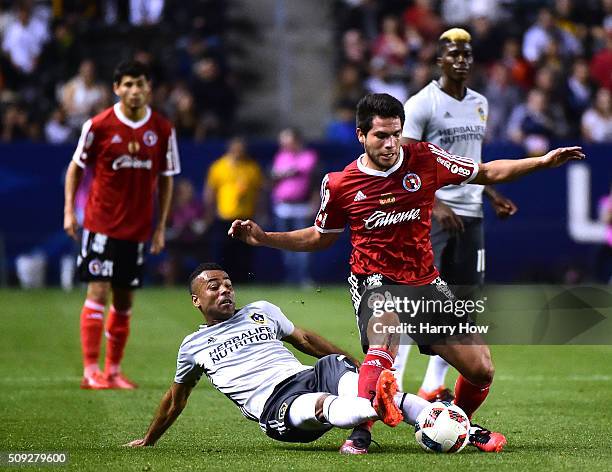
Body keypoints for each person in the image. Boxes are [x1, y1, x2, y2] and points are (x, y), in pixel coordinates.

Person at [228, 92, 585, 454]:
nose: (390, 143)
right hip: (375, 281)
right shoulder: (339, 184)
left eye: (395, 133)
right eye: (381, 135)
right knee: (383, 342)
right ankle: (360, 430)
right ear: (360, 135)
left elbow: (487, 171)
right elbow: (320, 237)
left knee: (481, 369)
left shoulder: (425, 159)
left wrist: (543, 161)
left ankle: (453, 423)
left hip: (425, 281)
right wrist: (265, 238)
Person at [124, 263, 430, 447]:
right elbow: (175, 399)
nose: (224, 291)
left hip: (307, 375)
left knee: (343, 375)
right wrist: (150, 439)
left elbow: (304, 339)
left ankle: (455, 427)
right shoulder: (193, 346)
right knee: (325, 405)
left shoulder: (260, 311)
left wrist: (359, 367)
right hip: (275, 405)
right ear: (196, 300)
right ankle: (378, 404)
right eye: (214, 287)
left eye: (228, 285)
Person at [397, 28, 518, 402]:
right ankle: (393, 380)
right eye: (454, 55)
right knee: (418, 302)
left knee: (464, 305)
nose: (462, 61)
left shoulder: (480, 102)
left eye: (467, 55)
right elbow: (403, 163)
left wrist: (491, 192)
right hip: (429, 216)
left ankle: (433, 385)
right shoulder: (422, 104)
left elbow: (472, 162)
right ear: (439, 60)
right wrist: (435, 204)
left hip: (472, 214)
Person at [63, 60, 180, 390]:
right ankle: (90, 370)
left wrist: (159, 227)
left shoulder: (162, 129)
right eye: (127, 84)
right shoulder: (98, 125)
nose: (133, 90)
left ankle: (113, 370)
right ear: (116, 88)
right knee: (98, 289)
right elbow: (75, 168)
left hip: (138, 228)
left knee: (125, 300)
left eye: (139, 84)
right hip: (101, 224)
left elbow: (167, 178)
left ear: (148, 88)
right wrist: (70, 212)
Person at [204, 137, 264, 283]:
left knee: (244, 252)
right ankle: (224, 280)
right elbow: (211, 191)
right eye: (237, 148)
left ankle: (244, 281)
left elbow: (259, 192)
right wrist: (209, 212)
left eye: (242, 149)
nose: (239, 152)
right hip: (225, 216)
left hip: (245, 216)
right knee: (225, 251)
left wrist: (261, 211)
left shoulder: (252, 168)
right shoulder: (219, 166)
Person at [271, 128, 319, 286]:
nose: (283, 144)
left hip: (301, 206)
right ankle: (290, 278)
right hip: (283, 206)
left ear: (296, 141)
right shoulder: (281, 156)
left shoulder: (308, 155)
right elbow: (275, 175)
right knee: (285, 245)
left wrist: (284, 173)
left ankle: (303, 278)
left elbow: (301, 172)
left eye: (287, 141)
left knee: (303, 245)